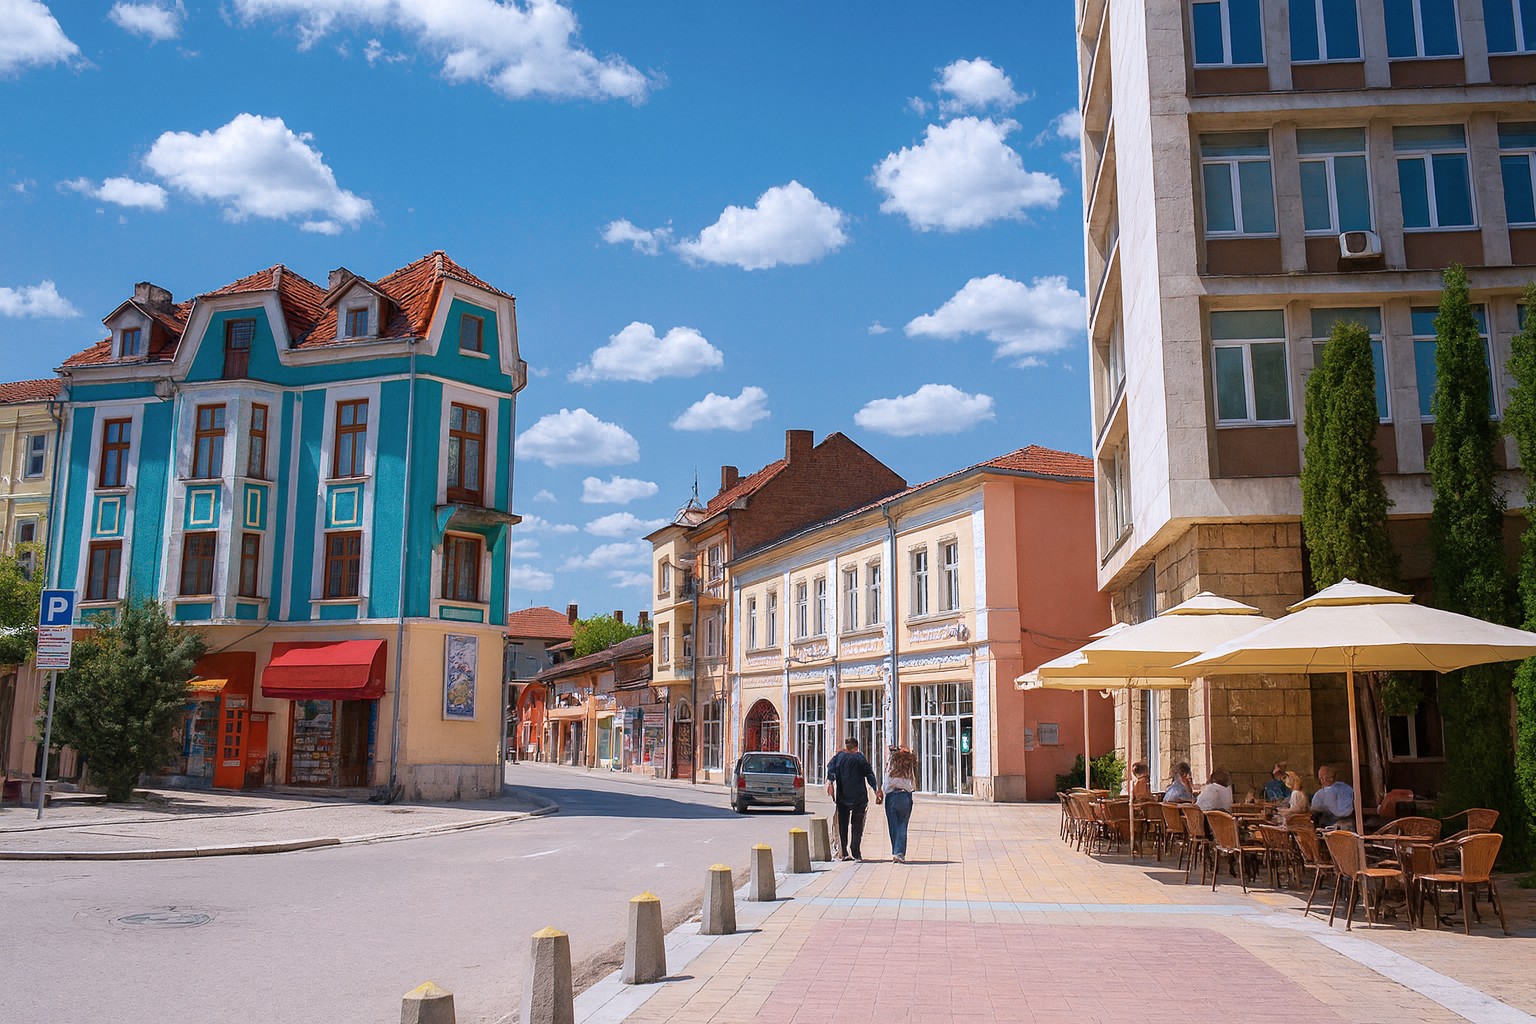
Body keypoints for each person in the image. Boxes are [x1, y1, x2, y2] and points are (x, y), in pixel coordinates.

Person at [826, 737, 882, 861]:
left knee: (843, 824)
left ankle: (845, 852)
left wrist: (830, 782)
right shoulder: (860, 758)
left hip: (842, 797)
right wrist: (875, 789)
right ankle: (856, 852)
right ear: (856, 748)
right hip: (859, 798)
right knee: (857, 825)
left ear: (847, 747)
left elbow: (830, 769)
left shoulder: (839, 757)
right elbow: (869, 774)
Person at [883, 745, 918, 863]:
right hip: (905, 796)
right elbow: (913, 782)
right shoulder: (909, 766)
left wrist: (884, 791)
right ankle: (899, 853)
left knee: (893, 826)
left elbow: (887, 781)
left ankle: (896, 851)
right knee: (902, 825)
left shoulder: (892, 764)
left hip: (892, 795)